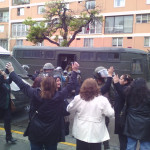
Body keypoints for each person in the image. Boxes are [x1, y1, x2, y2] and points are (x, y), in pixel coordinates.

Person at [6, 62, 79, 150]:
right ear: (54, 85)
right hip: (52, 133)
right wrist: (74, 71)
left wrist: (12, 72)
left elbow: (22, 85)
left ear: (43, 84)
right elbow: (70, 86)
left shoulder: (34, 94)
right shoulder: (59, 96)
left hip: (36, 131)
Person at [67, 78, 114, 150]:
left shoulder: (78, 98)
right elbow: (110, 114)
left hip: (81, 132)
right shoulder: (102, 100)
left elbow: (69, 109)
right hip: (96, 133)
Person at [123, 78, 150, 150]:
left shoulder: (128, 94)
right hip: (146, 124)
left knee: (130, 145)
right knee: (146, 146)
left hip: (131, 123)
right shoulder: (148, 95)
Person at [93, 66, 115, 150]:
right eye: (102, 73)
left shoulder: (108, 84)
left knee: (105, 128)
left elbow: (112, 97)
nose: (104, 75)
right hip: (94, 111)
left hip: (104, 111)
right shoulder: (92, 83)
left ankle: (106, 146)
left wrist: (110, 106)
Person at [113, 74, 133, 150]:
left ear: (126, 81)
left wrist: (116, 83)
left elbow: (122, 93)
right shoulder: (123, 87)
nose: (119, 80)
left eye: (121, 79)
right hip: (121, 115)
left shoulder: (128, 89)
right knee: (122, 139)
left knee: (123, 139)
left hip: (123, 117)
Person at [0, 70, 17, 144]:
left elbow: (11, 78)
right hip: (1, 106)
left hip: (7, 106)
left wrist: (11, 70)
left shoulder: (6, 81)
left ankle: (9, 137)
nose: (4, 73)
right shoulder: (0, 81)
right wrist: (2, 73)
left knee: (8, 121)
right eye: (2, 72)